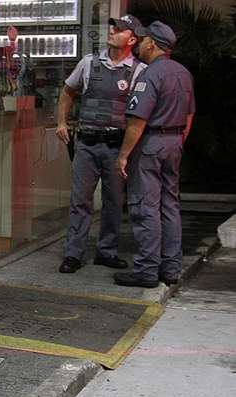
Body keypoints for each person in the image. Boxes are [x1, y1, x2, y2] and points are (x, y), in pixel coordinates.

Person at [56, 15, 145, 274]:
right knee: (80, 200)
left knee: (114, 201)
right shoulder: (89, 63)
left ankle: (107, 252)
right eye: (113, 27)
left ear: (132, 39)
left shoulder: (139, 70)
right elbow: (67, 92)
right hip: (87, 142)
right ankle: (73, 254)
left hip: (116, 146)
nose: (113, 31)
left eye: (120, 29)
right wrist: (61, 122)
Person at [113, 21, 195, 288]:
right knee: (170, 205)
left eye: (144, 38)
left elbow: (137, 121)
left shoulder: (150, 75)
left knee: (145, 207)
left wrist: (124, 155)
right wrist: (176, 141)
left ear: (152, 44)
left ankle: (146, 271)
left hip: (151, 144)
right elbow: (190, 115)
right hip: (174, 141)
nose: (141, 42)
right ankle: (170, 268)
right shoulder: (183, 73)